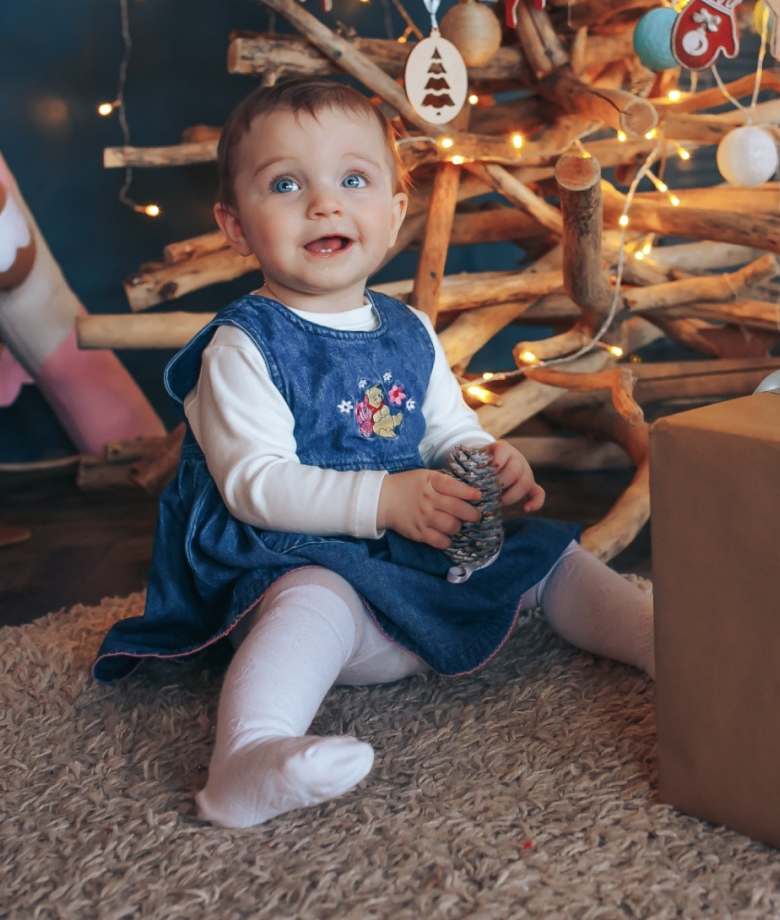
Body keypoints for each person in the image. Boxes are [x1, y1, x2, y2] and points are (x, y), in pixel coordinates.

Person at [94, 80, 655, 829]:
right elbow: (253, 486)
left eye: (352, 180)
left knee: (547, 552)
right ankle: (249, 756)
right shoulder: (244, 345)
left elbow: (446, 430)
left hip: (407, 545)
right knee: (313, 597)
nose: (324, 204)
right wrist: (385, 501)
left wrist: (486, 459)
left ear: (393, 213)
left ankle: (656, 641)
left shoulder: (408, 329)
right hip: (292, 555)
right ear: (235, 226)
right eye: (286, 184)